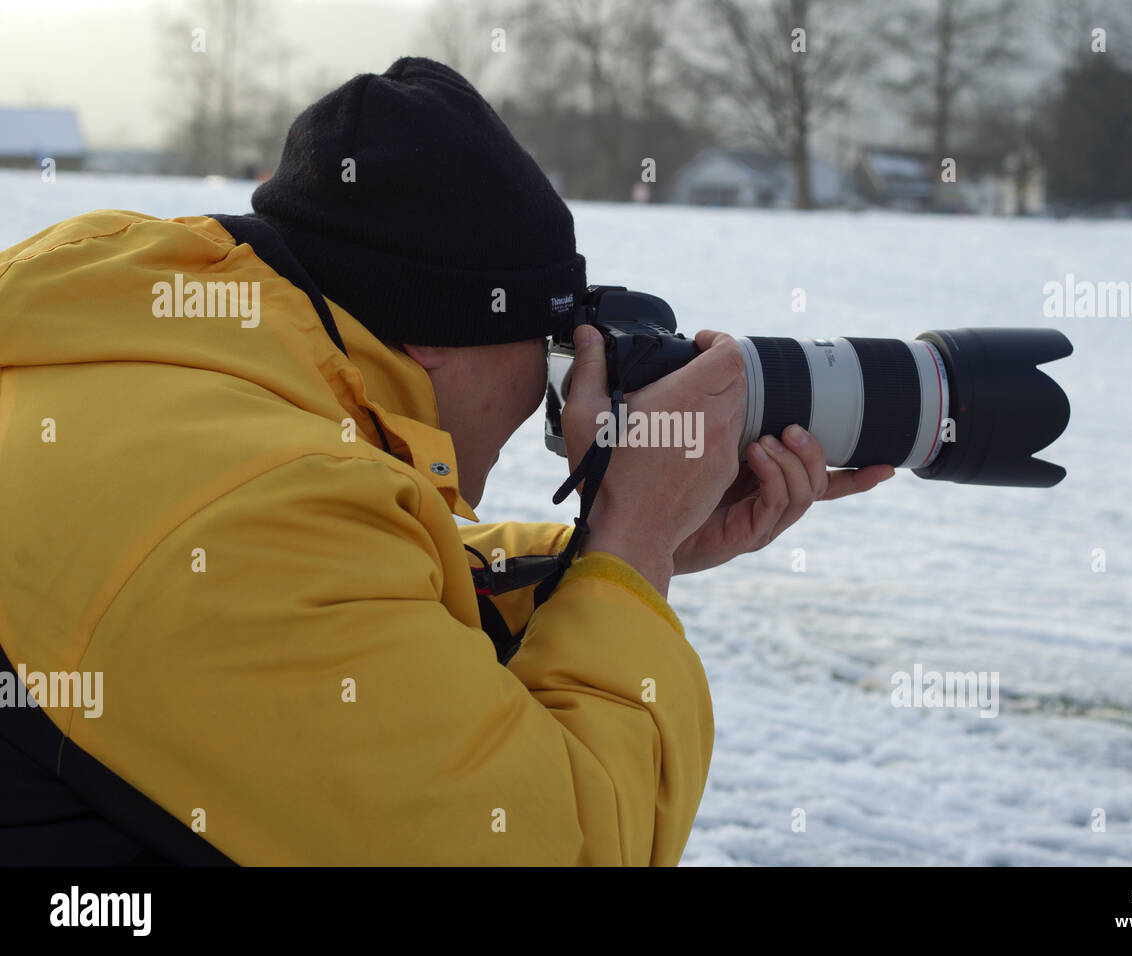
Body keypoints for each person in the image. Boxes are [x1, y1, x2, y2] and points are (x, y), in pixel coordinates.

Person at [0, 58, 892, 865]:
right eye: (541, 342)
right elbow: (561, 849)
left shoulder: (138, 347)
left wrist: (613, 561)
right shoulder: (255, 516)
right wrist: (633, 541)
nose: (554, 382)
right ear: (435, 343)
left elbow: (354, 588)